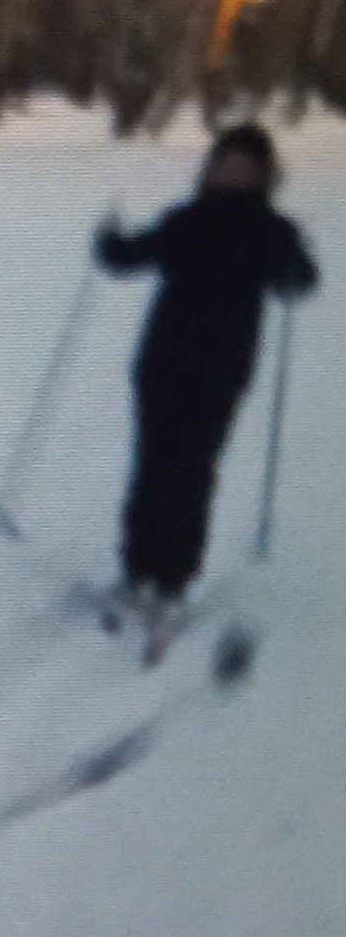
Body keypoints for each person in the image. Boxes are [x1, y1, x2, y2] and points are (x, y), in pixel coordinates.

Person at [95, 121, 317, 631]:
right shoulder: (186, 220)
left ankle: (173, 579)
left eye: (243, 166)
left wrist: (292, 264)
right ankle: (136, 569)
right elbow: (134, 255)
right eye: (224, 163)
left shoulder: (270, 230)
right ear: (211, 168)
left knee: (191, 471)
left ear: (263, 174)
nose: (231, 173)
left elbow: (301, 282)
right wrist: (110, 244)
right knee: (151, 464)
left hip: (219, 371)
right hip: (162, 362)